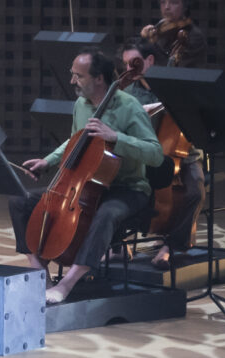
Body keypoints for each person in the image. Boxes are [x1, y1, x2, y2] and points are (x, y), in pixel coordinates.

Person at [11, 49, 163, 305]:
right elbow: (76, 141)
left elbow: (155, 154)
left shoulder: (130, 107)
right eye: (72, 75)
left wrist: (116, 137)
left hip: (127, 188)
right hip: (86, 185)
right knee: (20, 201)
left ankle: (67, 283)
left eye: (78, 76)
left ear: (99, 79)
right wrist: (48, 161)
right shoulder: (81, 105)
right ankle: (40, 274)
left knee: (106, 214)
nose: (72, 81)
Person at [117, 38, 204, 269]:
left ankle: (170, 246)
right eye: (125, 64)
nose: (129, 69)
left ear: (150, 60)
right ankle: (118, 245)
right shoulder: (128, 92)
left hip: (180, 154)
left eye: (134, 62)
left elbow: (195, 120)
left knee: (195, 191)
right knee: (113, 185)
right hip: (142, 155)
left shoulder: (175, 86)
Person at [139, 0, 208, 67]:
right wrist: (144, 39)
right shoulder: (159, 29)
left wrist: (152, 45)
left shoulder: (194, 35)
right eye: (163, 2)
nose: (167, 7)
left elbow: (174, 67)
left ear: (185, 6)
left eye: (173, 2)